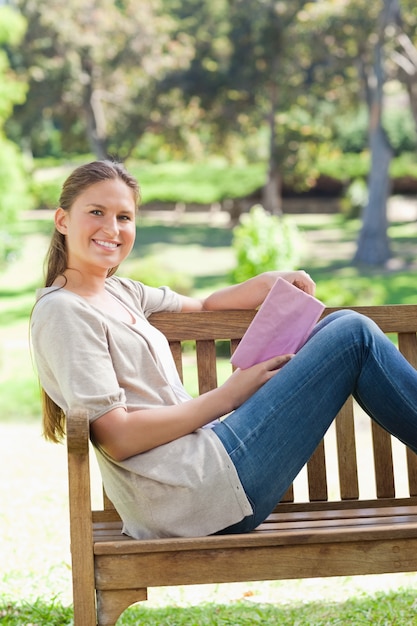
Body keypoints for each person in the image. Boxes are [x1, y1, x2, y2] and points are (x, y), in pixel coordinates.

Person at [31, 159, 417, 540]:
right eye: (96, 212)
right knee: (353, 333)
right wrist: (229, 395)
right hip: (189, 493)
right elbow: (118, 437)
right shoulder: (63, 312)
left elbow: (203, 306)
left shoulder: (119, 291)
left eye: (124, 217)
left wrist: (267, 282)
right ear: (62, 220)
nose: (111, 228)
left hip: (205, 468)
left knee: (338, 326)